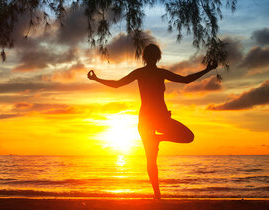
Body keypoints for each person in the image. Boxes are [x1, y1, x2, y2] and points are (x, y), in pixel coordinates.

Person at [87, 44, 218, 199]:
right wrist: (207, 70)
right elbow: (186, 80)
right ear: (157, 57)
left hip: (150, 119)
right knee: (184, 139)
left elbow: (117, 84)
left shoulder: (142, 73)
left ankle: (157, 194)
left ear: (145, 57)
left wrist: (96, 79)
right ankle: (157, 193)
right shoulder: (157, 73)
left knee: (153, 158)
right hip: (156, 118)